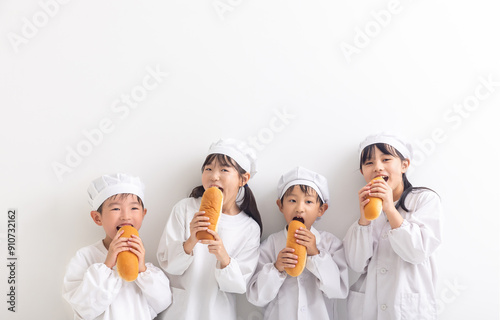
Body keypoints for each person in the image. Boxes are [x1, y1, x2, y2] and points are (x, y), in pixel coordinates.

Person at [156, 138, 262, 320]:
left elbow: (238, 286)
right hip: (179, 313)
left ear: (243, 179)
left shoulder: (249, 228)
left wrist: (223, 257)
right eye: (208, 169)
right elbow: (167, 265)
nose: (214, 176)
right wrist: (191, 241)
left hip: (218, 314)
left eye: (224, 170)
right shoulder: (185, 208)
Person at [343, 133, 443, 320]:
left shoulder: (424, 200)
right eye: (369, 163)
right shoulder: (368, 209)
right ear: (362, 172)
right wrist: (364, 219)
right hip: (368, 308)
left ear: (404, 165)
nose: (377, 167)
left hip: (408, 309)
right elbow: (356, 264)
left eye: (386, 159)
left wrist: (389, 208)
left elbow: (417, 251)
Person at [63, 173, 172, 320]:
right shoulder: (85, 256)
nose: (126, 216)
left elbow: (163, 303)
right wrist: (107, 265)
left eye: (134, 208)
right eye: (116, 209)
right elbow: (82, 308)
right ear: (97, 217)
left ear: (143, 214)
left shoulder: (143, 261)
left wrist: (142, 270)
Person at [247, 166, 349, 320]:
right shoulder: (271, 245)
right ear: (280, 206)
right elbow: (256, 297)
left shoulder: (330, 243)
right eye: (292, 200)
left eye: (308, 201)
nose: (299, 208)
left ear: (321, 209)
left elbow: (339, 290)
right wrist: (276, 269)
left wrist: (316, 254)